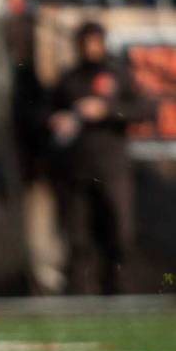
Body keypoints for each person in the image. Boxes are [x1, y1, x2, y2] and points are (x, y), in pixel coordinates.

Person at [48, 22, 155, 295]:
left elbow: (144, 108)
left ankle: (119, 290)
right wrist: (57, 121)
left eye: (94, 42)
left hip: (112, 166)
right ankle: (80, 294)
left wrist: (107, 110)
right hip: (76, 168)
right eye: (85, 42)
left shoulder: (118, 75)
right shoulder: (69, 78)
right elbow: (45, 113)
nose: (90, 48)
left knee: (119, 232)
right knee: (78, 237)